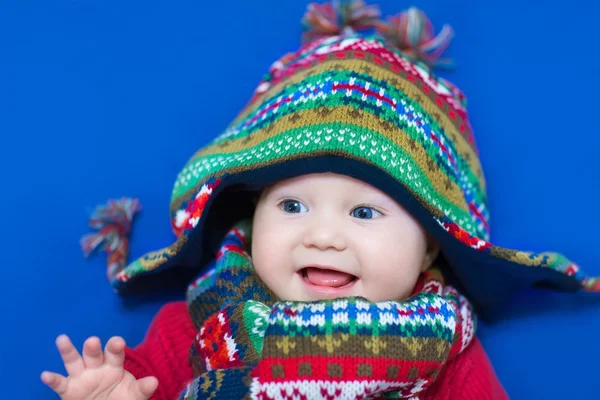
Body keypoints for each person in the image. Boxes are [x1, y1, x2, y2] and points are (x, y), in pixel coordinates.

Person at [41, 1, 599, 399]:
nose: (323, 236)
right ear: (252, 216)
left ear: (430, 247)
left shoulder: (442, 353)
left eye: (363, 212)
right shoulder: (198, 322)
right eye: (291, 206)